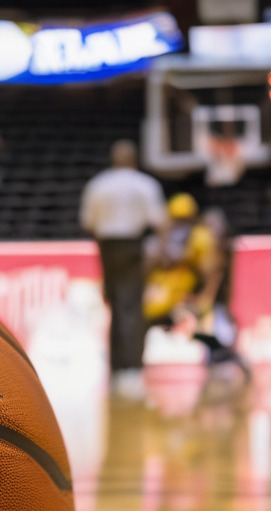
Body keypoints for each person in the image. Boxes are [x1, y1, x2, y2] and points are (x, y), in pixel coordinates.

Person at [80, 139, 168, 395]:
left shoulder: (98, 184)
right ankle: (132, 368)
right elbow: (159, 222)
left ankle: (118, 368)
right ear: (134, 159)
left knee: (116, 304)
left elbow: (88, 222)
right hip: (132, 246)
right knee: (131, 306)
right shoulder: (145, 184)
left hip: (108, 247)